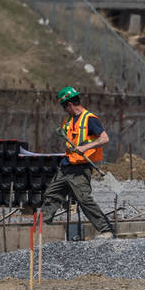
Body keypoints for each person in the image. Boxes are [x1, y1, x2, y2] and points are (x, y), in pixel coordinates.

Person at [41, 86, 116, 238]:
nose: (64, 110)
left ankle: (106, 231)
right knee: (51, 195)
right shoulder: (69, 120)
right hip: (67, 165)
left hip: (81, 168)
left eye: (64, 107)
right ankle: (41, 228)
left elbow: (104, 138)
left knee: (84, 199)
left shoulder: (89, 119)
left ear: (69, 104)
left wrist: (85, 147)